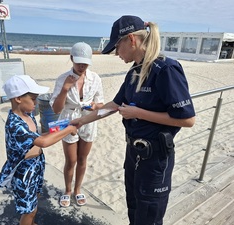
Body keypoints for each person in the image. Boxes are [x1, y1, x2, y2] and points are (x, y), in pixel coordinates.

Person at [70, 15, 195, 225]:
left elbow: (188, 119)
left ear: (131, 39)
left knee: (149, 217)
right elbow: (114, 105)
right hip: (133, 154)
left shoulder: (165, 70)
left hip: (155, 158)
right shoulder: (134, 71)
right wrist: (81, 121)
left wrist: (139, 113)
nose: (116, 53)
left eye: (117, 47)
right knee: (134, 209)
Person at [0, 75, 77, 225]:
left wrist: (64, 125)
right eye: (33, 99)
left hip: (36, 164)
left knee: (35, 198)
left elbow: (39, 136)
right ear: (18, 99)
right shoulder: (15, 124)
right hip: (23, 171)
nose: (36, 103)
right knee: (29, 210)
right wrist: (68, 130)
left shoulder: (28, 115)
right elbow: (42, 142)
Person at [49, 42, 104, 207]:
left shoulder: (95, 78)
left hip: (88, 120)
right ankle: (67, 190)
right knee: (70, 160)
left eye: (85, 62)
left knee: (82, 159)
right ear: (71, 58)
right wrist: (65, 89)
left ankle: (78, 189)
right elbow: (56, 109)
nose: (82, 65)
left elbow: (100, 103)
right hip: (69, 120)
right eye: (79, 61)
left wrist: (94, 106)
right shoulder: (62, 78)